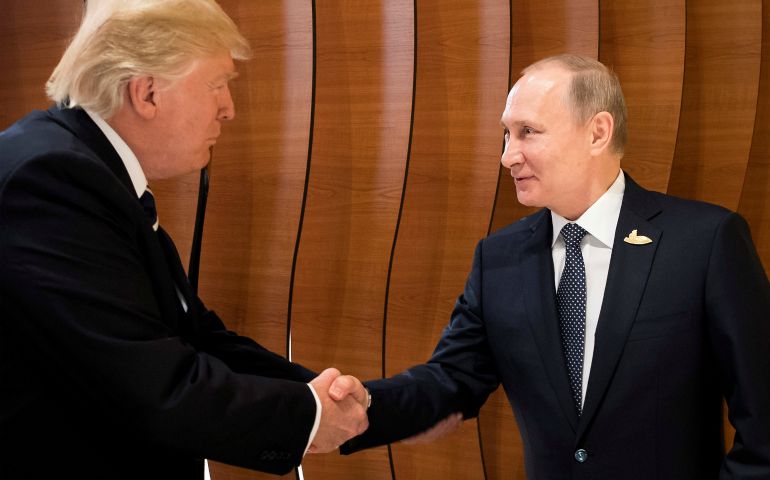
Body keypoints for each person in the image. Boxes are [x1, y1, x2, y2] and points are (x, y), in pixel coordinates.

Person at [340, 54, 770, 479]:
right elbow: (450, 381)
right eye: (507, 135)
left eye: (528, 132)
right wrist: (365, 405)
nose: (508, 156)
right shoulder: (499, 258)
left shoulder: (705, 241)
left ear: (598, 132)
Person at [0, 1, 368, 478]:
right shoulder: (51, 180)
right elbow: (149, 385)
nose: (229, 109)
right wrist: (310, 415)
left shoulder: (83, 169)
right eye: (217, 85)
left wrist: (320, 392)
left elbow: (192, 334)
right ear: (147, 92)